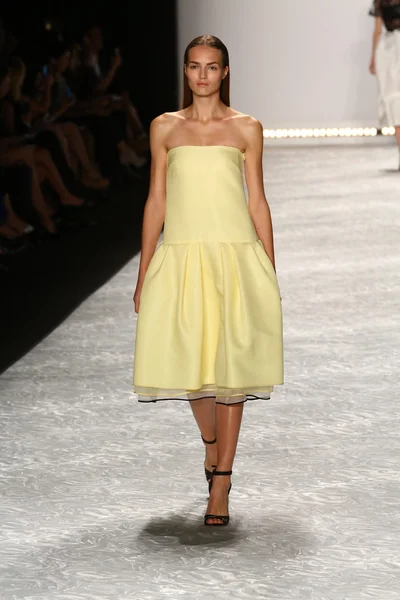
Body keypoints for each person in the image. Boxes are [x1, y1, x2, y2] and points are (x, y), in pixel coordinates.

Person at [132, 35, 284, 527]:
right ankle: (211, 444)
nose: (202, 76)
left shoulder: (246, 128)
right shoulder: (163, 128)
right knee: (193, 371)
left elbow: (256, 200)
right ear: (185, 71)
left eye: (211, 67)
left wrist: (269, 271)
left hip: (234, 255)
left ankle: (221, 483)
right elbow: (156, 201)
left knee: (232, 373)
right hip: (182, 257)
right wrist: (144, 270)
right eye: (194, 66)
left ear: (224, 72)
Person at [369, 0, 400, 166]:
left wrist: (374, 57)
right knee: (394, 101)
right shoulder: (380, 1)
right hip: (389, 50)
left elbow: (377, 31)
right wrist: (374, 57)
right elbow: (377, 30)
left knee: (394, 100)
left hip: (389, 50)